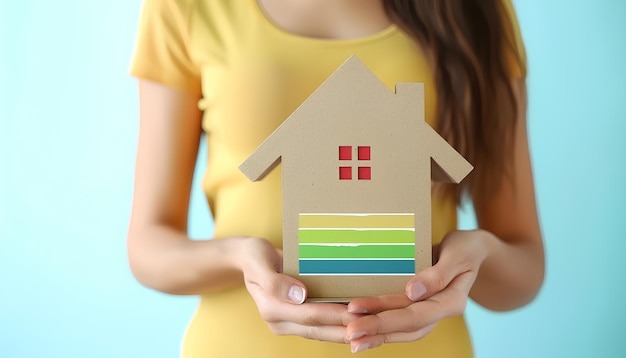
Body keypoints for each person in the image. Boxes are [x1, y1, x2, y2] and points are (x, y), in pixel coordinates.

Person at [127, 0, 545, 356]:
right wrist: (239, 258)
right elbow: (148, 245)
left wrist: (477, 254)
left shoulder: (478, 9)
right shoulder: (186, 7)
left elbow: (524, 270)